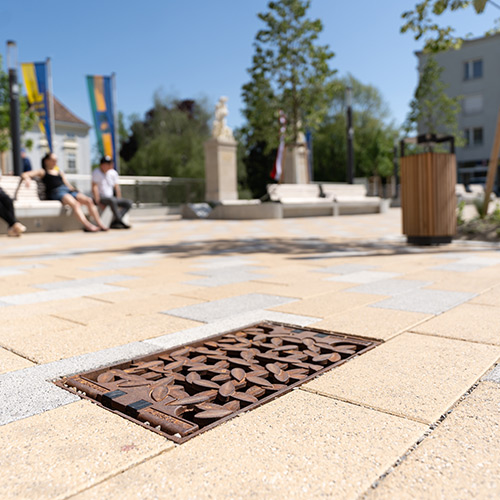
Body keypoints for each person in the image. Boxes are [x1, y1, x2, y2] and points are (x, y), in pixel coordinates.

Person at [21, 152, 108, 232]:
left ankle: (100, 223)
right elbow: (25, 174)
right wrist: (27, 179)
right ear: (47, 161)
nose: (55, 162)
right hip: (57, 192)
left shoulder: (59, 172)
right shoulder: (42, 171)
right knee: (75, 204)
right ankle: (87, 225)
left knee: (88, 200)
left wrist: (73, 189)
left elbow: (67, 184)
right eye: (53, 160)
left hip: (67, 190)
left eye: (56, 160)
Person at [92, 155, 132, 229]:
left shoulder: (113, 173)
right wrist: (97, 201)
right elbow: (94, 187)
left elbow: (116, 187)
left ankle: (116, 221)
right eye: (108, 163)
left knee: (128, 203)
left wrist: (119, 198)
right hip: (102, 197)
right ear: (102, 164)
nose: (110, 165)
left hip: (111, 197)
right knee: (112, 200)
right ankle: (120, 221)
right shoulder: (96, 172)